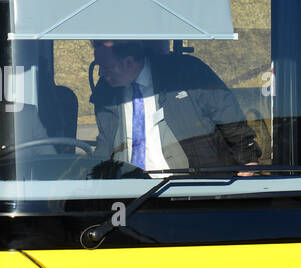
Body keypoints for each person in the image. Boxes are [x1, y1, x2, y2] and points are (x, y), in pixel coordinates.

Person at [88, 40, 259, 173]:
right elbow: (106, 142)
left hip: (187, 187)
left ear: (129, 62)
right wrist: (93, 176)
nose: (101, 73)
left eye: (106, 67)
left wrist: (247, 156)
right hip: (130, 195)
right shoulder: (106, 92)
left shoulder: (186, 73)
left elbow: (227, 114)